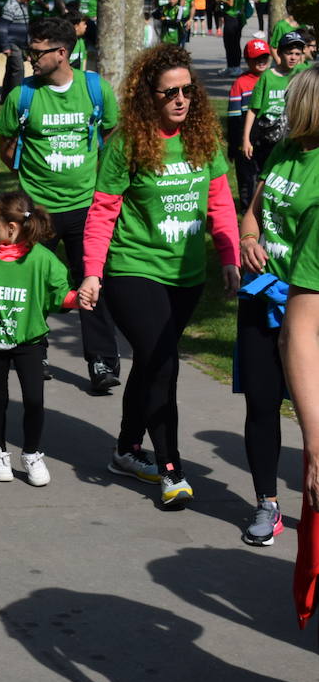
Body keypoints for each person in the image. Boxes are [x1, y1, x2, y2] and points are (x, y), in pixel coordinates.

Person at [77, 44, 240, 508]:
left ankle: (127, 449)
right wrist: (92, 273)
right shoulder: (127, 142)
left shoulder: (203, 139)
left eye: (188, 90)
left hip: (185, 276)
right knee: (163, 362)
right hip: (133, 269)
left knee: (151, 362)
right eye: (171, 92)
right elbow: (103, 212)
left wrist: (228, 257)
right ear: (150, 95)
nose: (182, 100)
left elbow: (220, 204)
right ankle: (171, 468)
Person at [0, 16, 120, 392]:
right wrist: (32, 183)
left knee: (92, 280)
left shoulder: (95, 88)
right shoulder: (23, 95)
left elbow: (111, 135)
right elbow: (5, 145)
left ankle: (101, 360)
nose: (31, 57)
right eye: (30, 50)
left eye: (37, 51)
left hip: (85, 206)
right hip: (38, 209)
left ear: (62, 53)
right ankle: (37, 349)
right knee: (34, 281)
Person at [241, 66, 319, 544]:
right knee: (262, 404)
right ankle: (267, 503)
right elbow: (253, 209)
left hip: (305, 313)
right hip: (261, 296)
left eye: (292, 102)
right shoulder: (287, 150)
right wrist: (249, 236)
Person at [0, 192, 76, 485]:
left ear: (12, 227)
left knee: (34, 400)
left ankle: (32, 453)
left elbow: (60, 294)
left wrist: (79, 298)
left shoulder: (42, 259)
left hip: (29, 341)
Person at [243, 31, 310, 175]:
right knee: (265, 173)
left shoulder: (302, 74)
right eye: (289, 53)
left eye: (297, 54)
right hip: (267, 137)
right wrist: (246, 139)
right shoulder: (268, 76)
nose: (293, 57)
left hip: (292, 137)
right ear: (279, 53)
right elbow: (253, 109)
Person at [229, 39, 273, 211]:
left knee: (266, 175)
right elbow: (234, 117)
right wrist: (234, 145)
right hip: (246, 139)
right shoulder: (240, 83)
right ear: (247, 60)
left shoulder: (273, 78)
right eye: (256, 58)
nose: (261, 61)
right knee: (247, 178)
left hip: (268, 139)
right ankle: (247, 208)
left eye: (264, 57)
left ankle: (265, 207)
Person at [220, 0, 245, 76]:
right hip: (238, 18)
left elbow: (230, 3)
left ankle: (233, 67)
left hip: (231, 17)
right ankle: (234, 67)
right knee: (235, 43)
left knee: (229, 43)